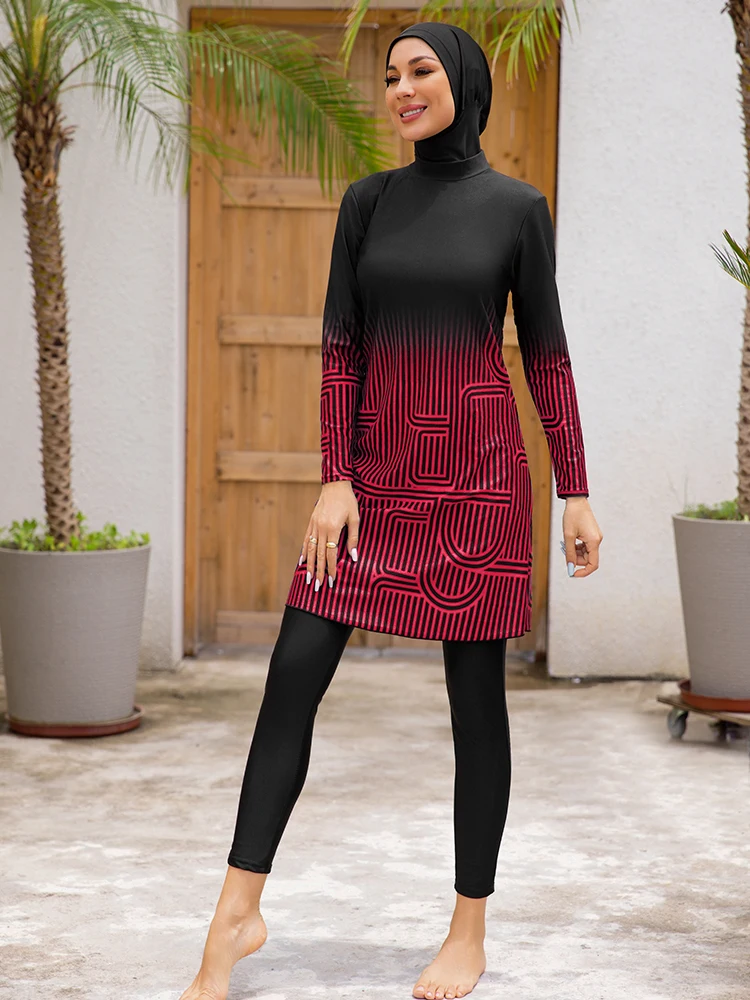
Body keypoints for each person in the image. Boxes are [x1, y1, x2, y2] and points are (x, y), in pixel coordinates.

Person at [178, 21, 603, 1000]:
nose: (403, 88)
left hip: (480, 487)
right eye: (392, 75)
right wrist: (336, 477)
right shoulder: (367, 203)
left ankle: (467, 928)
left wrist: (574, 488)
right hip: (373, 482)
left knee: (476, 705)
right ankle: (236, 913)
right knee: (292, 675)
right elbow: (340, 348)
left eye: (421, 71)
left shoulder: (517, 210)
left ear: (463, 82)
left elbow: (547, 356)